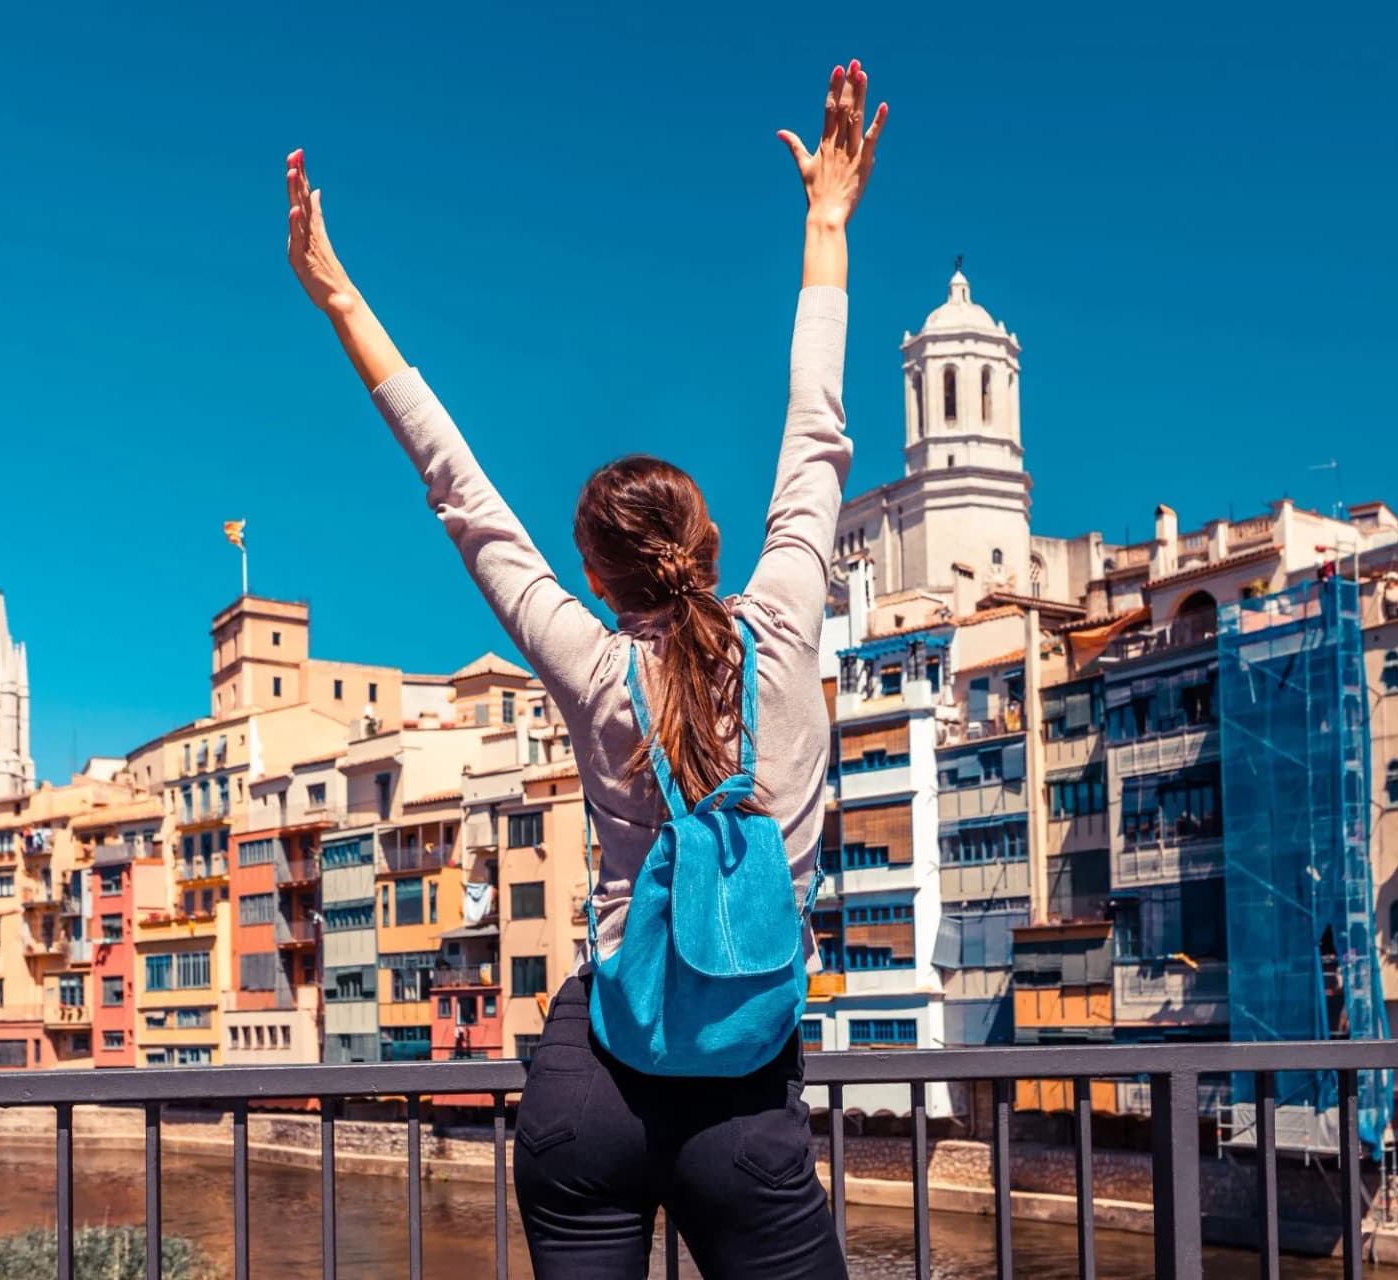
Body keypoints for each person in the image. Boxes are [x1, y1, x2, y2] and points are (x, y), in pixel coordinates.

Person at [285, 60, 886, 1280]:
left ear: (599, 578)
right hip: (744, 1095)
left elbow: (460, 493)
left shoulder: (590, 663)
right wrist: (826, 222)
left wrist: (337, 291)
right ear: (708, 541)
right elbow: (817, 426)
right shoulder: (785, 617)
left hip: (592, 1081)